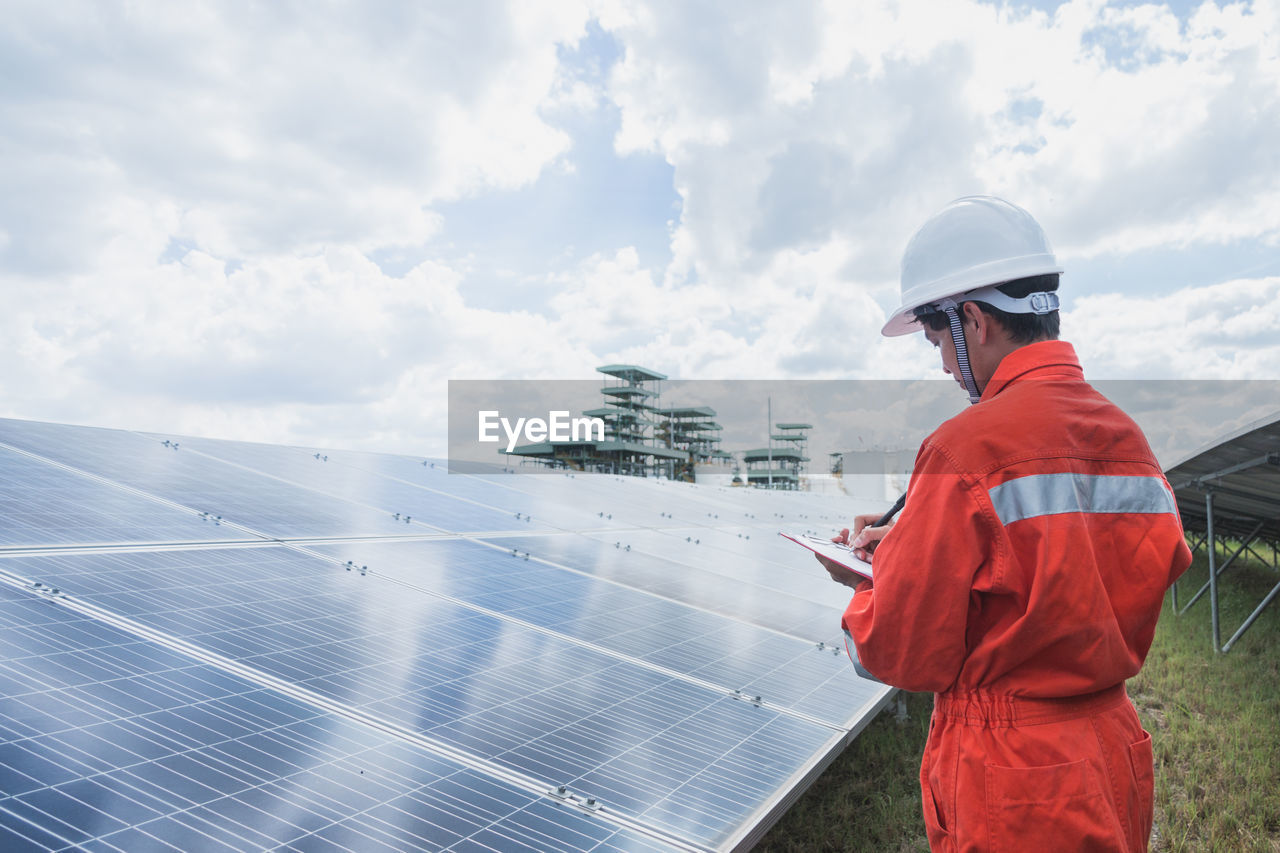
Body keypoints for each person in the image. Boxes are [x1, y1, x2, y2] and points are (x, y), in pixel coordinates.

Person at [818, 196, 1192, 852]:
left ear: (973, 319)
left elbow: (902, 646)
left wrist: (868, 582)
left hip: (1016, 783)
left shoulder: (965, 448)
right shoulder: (1129, 438)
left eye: (937, 340)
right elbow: (1133, 560)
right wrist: (913, 543)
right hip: (1113, 752)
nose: (941, 364)